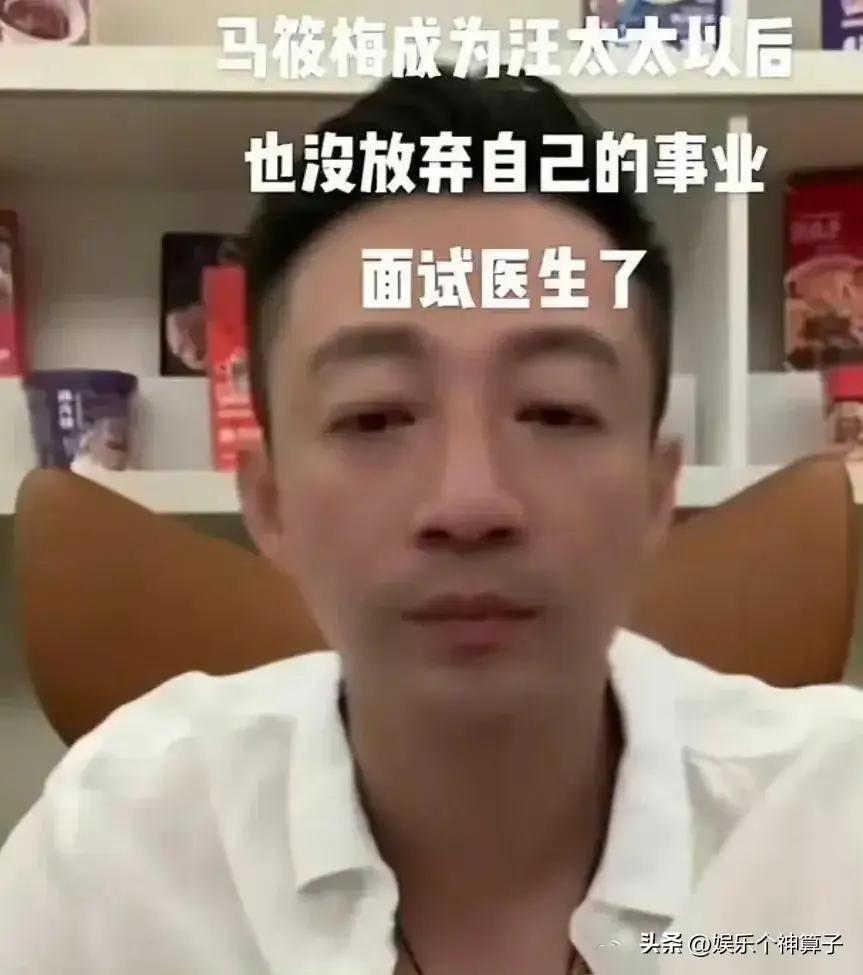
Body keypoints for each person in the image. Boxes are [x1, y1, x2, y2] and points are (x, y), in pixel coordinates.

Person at [2, 70, 863, 975]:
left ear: (657, 493)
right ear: (271, 502)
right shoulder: (119, 848)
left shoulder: (833, 830)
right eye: (375, 416)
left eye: (556, 411)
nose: (469, 502)